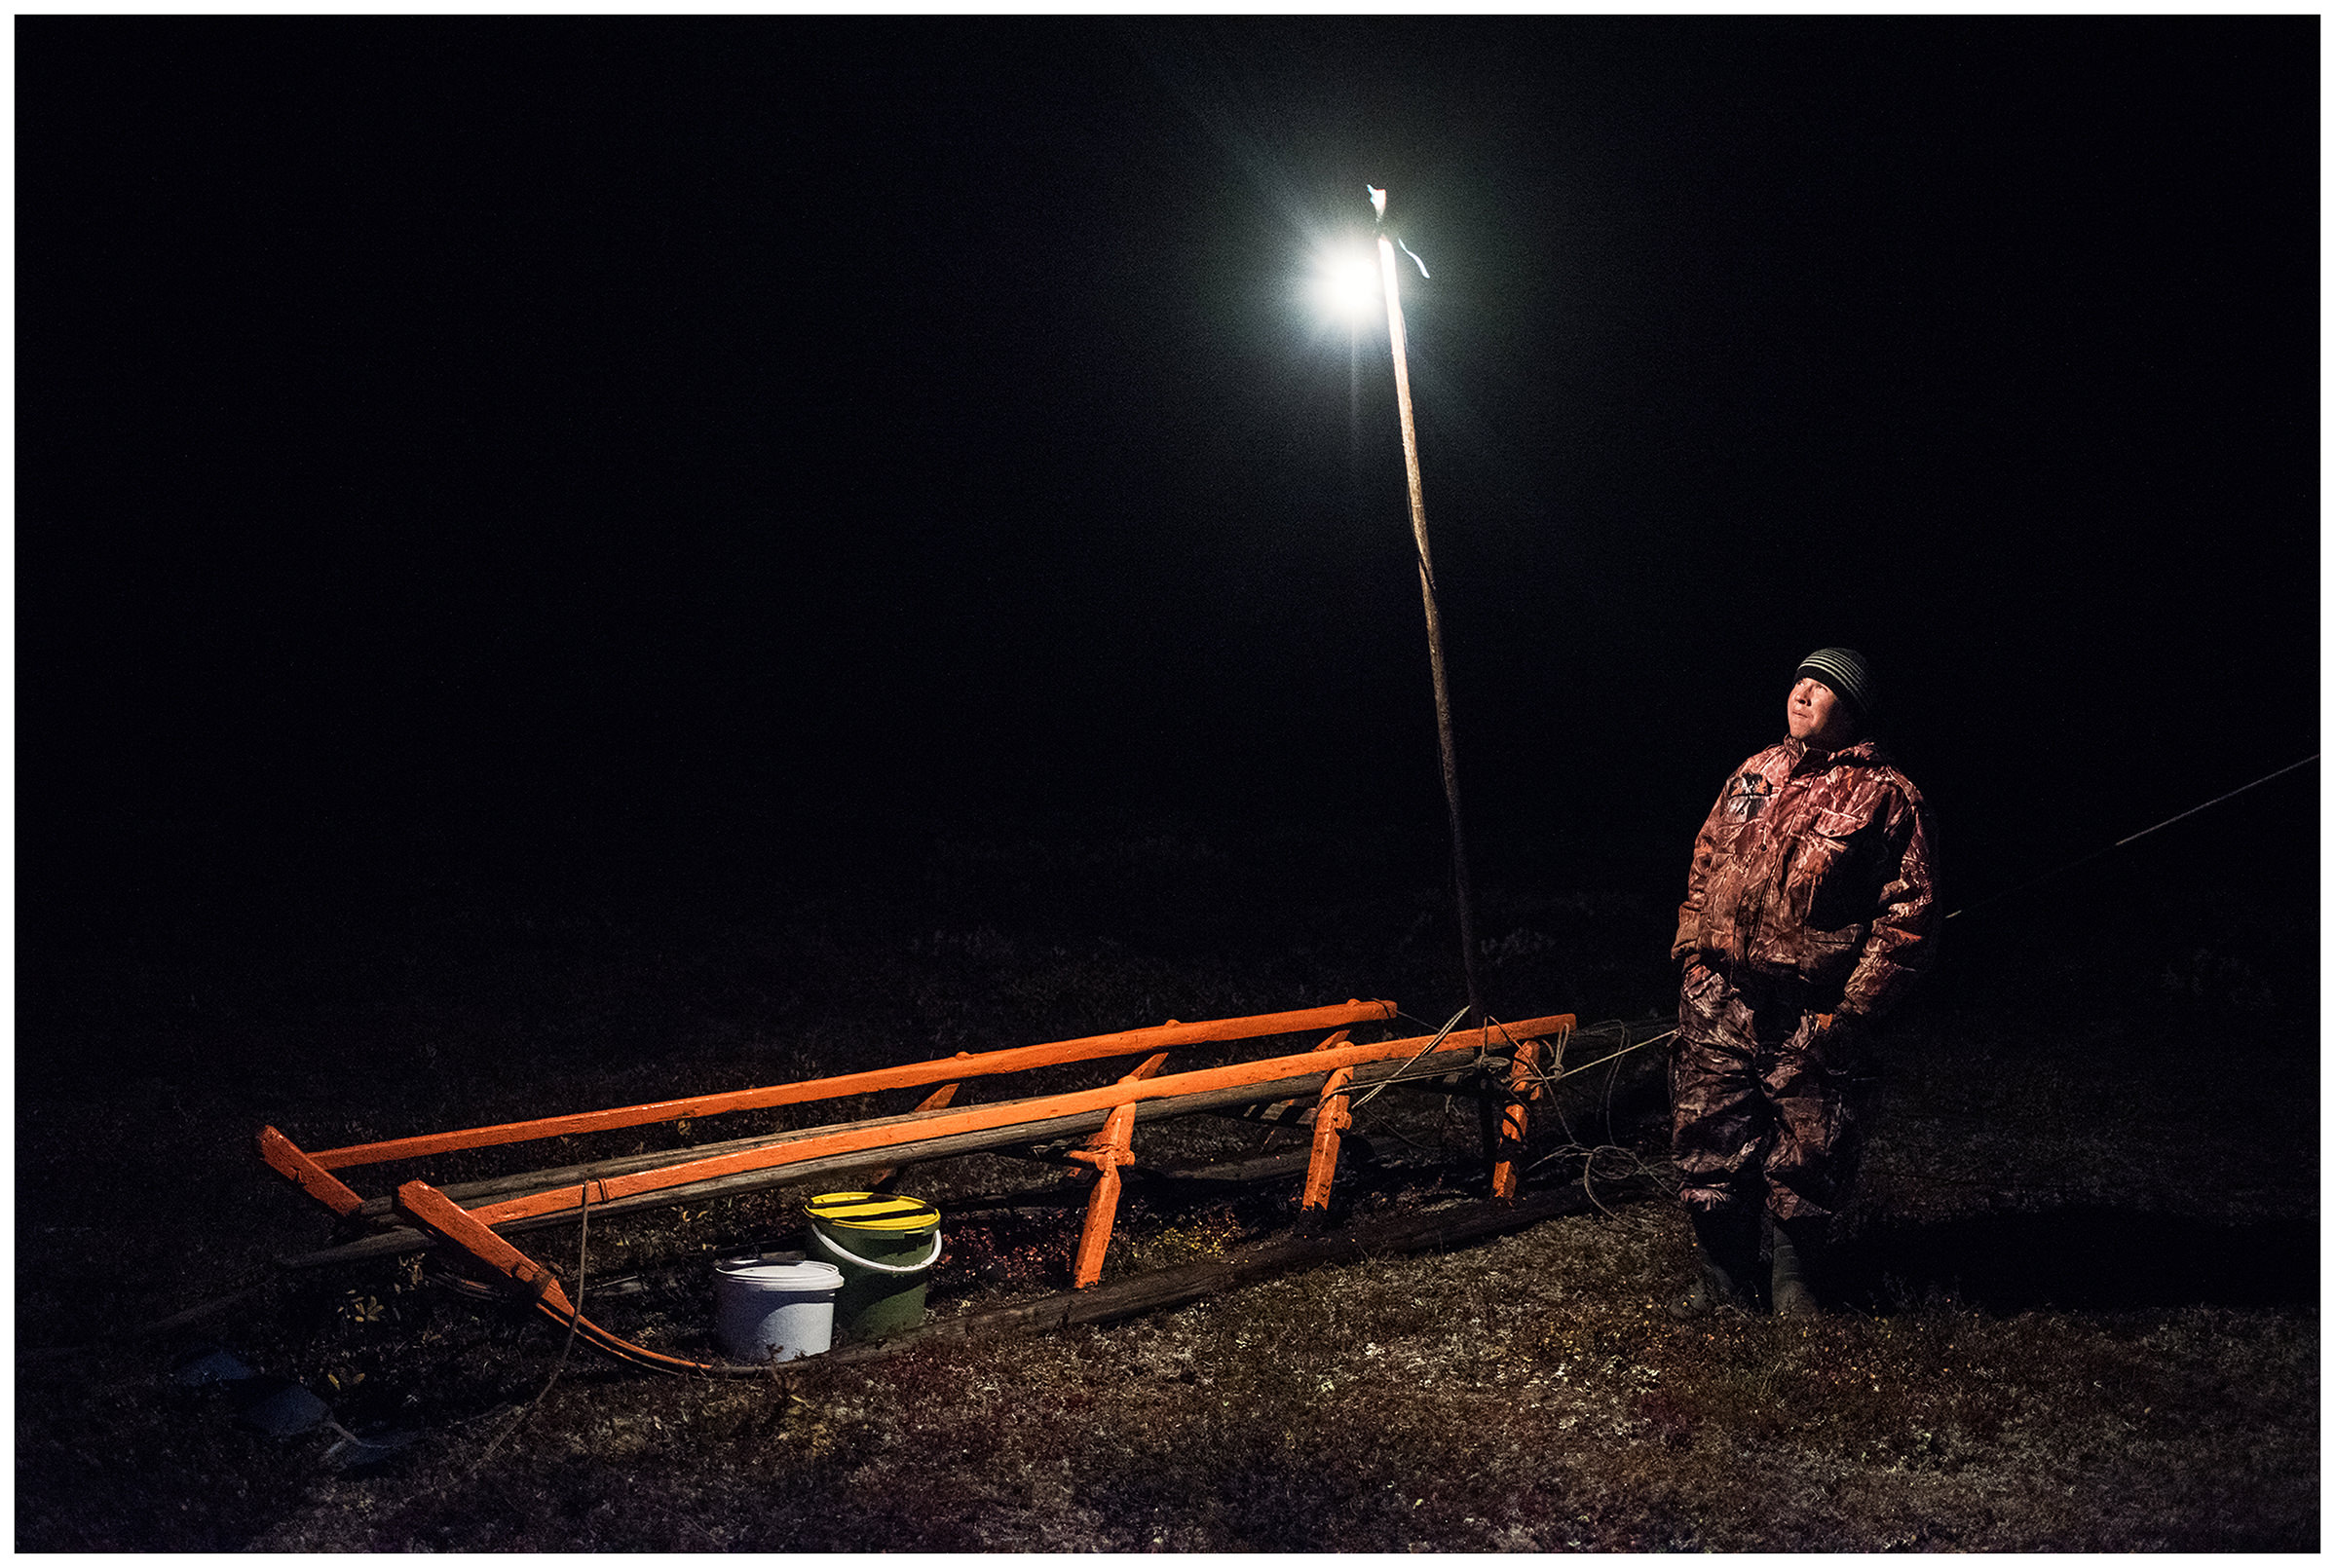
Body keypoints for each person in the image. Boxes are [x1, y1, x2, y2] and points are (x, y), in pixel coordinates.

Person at [1667, 647, 1938, 1318]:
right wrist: (1691, 954)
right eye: (1799, 680)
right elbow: (1706, 857)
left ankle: (1794, 1282)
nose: (1802, 692)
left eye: (1822, 685)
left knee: (1810, 1147)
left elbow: (1907, 915)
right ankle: (1720, 1273)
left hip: (1810, 1011)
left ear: (1851, 708)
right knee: (1708, 1135)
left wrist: (1851, 1010)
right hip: (1719, 998)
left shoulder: (1887, 796)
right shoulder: (1754, 773)